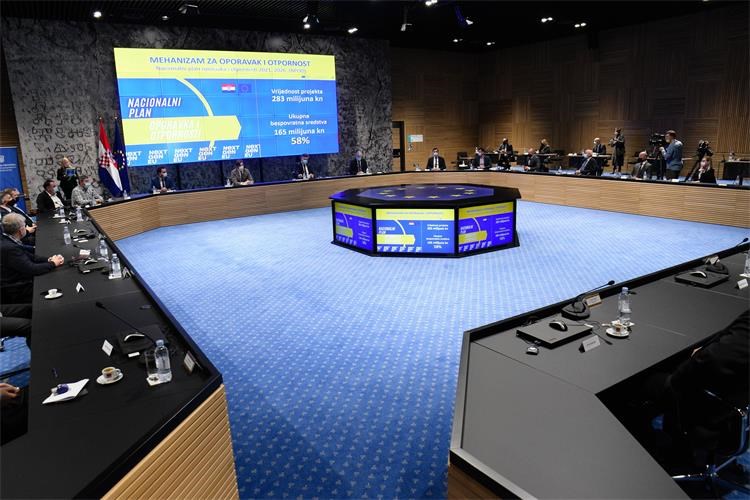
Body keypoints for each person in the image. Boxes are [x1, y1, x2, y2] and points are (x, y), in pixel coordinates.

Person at [1, 214, 64, 303]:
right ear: (20, 230)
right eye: (24, 226)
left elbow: (29, 256)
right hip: (16, 289)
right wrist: (53, 264)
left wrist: (48, 259)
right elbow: (32, 269)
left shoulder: (8, 239)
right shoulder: (10, 248)